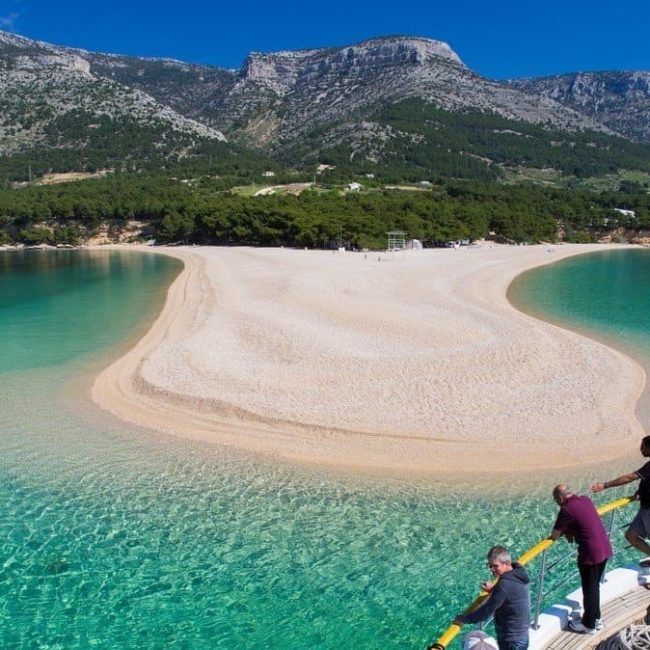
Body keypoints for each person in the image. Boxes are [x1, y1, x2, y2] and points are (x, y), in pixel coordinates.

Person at [548, 484, 612, 634]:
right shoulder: (585, 500)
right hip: (604, 548)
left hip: (590, 554)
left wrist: (566, 531)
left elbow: (555, 534)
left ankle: (589, 625)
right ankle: (596, 619)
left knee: (589, 590)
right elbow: (583, 521)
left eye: (556, 500)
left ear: (560, 498)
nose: (557, 503)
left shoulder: (566, 510)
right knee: (594, 587)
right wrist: (571, 530)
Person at [454, 546, 530, 650]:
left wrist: (464, 618)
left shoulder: (504, 585)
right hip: (522, 633)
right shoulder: (518, 571)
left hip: (511, 640)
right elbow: (511, 594)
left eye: (495, 566)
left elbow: (485, 612)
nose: (491, 570)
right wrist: (494, 589)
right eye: (489, 566)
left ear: (506, 563)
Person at [591, 435, 650, 564]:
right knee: (631, 536)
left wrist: (605, 485)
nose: (641, 449)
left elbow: (630, 477)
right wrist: (641, 492)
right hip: (645, 509)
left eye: (643, 447)